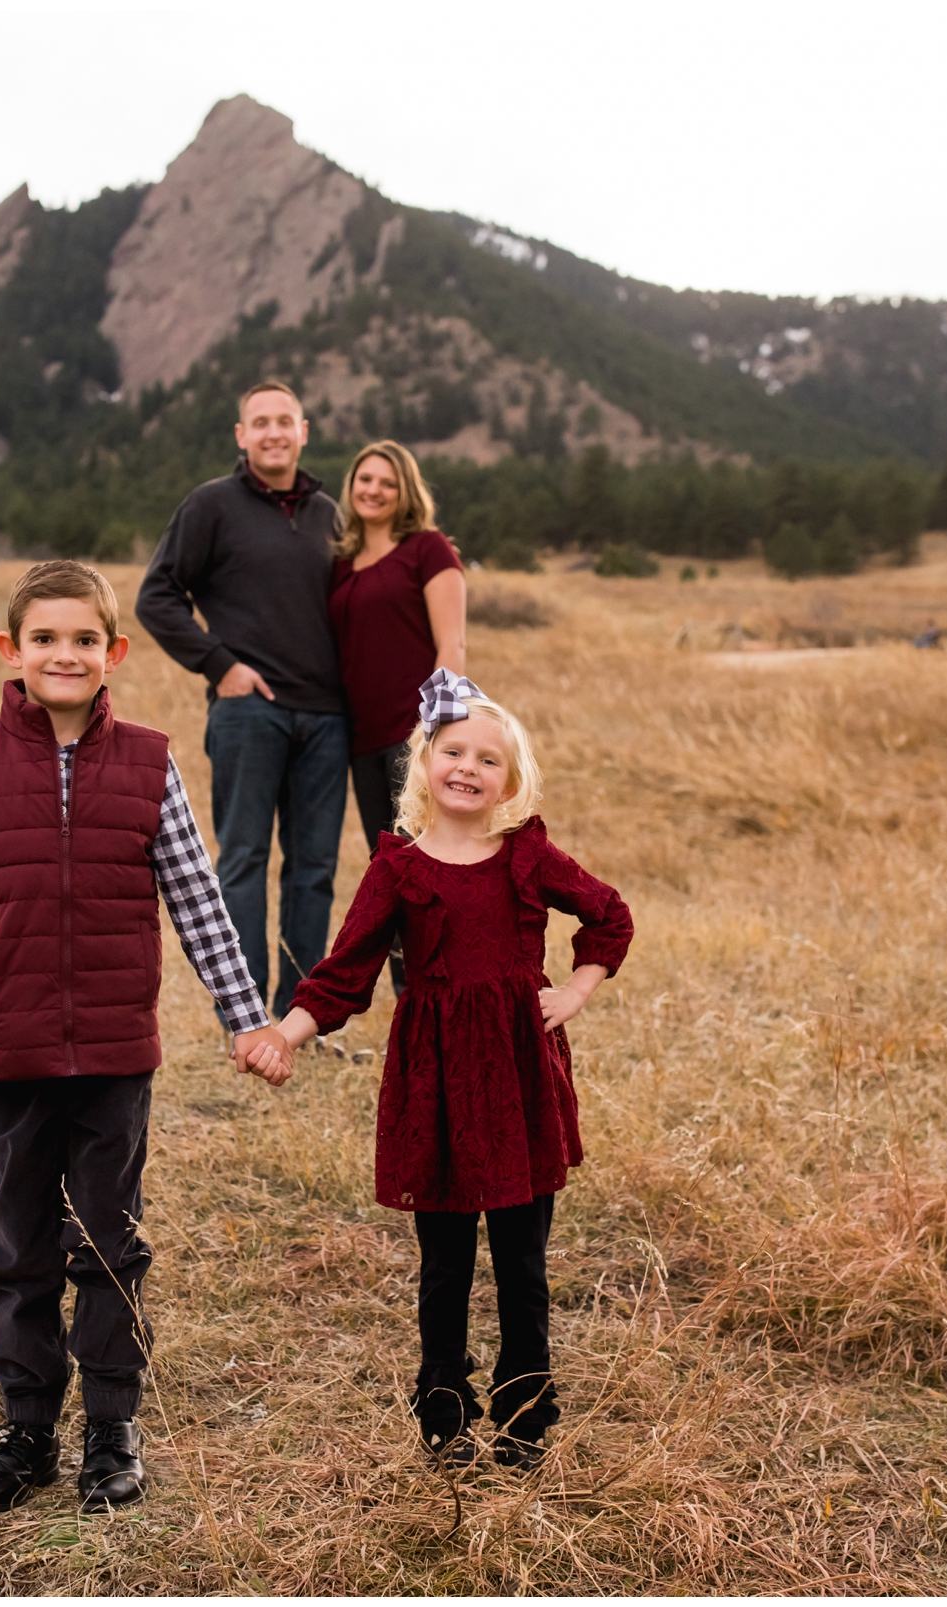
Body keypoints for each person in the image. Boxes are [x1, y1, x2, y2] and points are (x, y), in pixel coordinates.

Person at [0, 559, 289, 1516]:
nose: (64, 653)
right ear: (12, 651)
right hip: (10, 1048)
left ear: (114, 652)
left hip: (116, 1051)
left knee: (108, 1242)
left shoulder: (151, 762)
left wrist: (245, 1016)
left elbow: (198, 898)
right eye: (45, 638)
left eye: (84, 638)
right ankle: (26, 1429)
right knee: (22, 1241)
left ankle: (110, 1431)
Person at [267, 671, 632, 1471]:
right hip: (434, 1085)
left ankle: (525, 1413)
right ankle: (444, 1408)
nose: (468, 767)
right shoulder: (399, 868)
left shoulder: (527, 857)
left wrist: (575, 988)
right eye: (453, 750)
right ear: (424, 763)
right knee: (445, 1263)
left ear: (512, 780)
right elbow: (344, 972)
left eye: (488, 759)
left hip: (519, 1078)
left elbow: (609, 913)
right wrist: (287, 1033)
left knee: (522, 1261)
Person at [135, 381, 347, 1023]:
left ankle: (302, 1015)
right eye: (261, 422)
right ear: (242, 435)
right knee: (245, 860)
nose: (274, 432)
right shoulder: (211, 506)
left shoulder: (329, 514)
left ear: (304, 430)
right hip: (249, 713)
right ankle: (248, 1016)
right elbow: (156, 596)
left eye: (285, 421)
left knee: (313, 868)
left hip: (329, 717)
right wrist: (219, 665)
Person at [329, 440, 466, 992]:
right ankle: (413, 1004)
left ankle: (451, 995)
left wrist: (431, 734)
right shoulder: (341, 563)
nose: (374, 490)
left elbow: (452, 646)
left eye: (387, 481)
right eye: (365, 479)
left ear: (406, 490)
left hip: (412, 736)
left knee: (431, 872)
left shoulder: (428, 550)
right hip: (360, 740)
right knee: (390, 873)